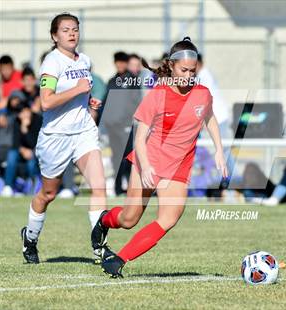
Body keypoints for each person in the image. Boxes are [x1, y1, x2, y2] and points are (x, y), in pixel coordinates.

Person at [92, 37, 228, 278]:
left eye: (192, 71)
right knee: (129, 218)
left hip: (179, 167)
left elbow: (209, 118)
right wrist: (144, 168)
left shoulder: (202, 93)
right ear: (172, 67)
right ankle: (104, 221)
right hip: (150, 160)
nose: (188, 75)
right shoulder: (158, 95)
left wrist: (219, 149)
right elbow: (140, 138)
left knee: (168, 219)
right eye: (183, 70)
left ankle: (119, 259)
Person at [20, 13, 113, 264]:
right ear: (54, 36)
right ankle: (30, 237)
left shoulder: (85, 60)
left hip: (83, 132)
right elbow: (46, 102)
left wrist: (89, 102)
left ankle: (99, 248)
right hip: (55, 137)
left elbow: (82, 93)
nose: (72, 33)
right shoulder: (51, 63)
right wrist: (77, 91)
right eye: (65, 30)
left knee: (98, 186)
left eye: (75, 29)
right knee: (48, 194)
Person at [102, 51, 138, 196]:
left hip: (126, 125)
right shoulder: (112, 81)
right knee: (116, 157)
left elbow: (135, 102)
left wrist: (125, 117)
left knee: (129, 157)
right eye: (118, 62)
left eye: (123, 62)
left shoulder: (132, 80)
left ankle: (130, 188)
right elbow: (107, 102)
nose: (120, 65)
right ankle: (117, 189)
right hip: (113, 126)